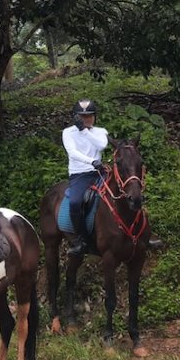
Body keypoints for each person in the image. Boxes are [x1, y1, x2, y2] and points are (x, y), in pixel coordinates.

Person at [62, 99, 108, 256]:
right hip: (80, 174)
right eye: (82, 116)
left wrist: (85, 131)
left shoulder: (100, 131)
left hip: (99, 172)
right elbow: (73, 152)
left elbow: (101, 145)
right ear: (76, 117)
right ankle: (81, 241)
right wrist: (91, 161)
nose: (87, 119)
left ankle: (142, 234)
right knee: (75, 202)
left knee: (127, 190)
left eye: (90, 115)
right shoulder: (68, 132)